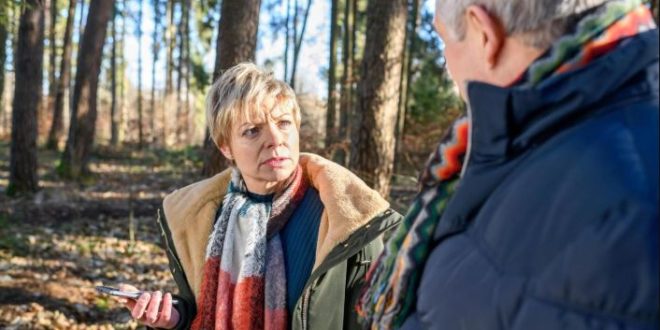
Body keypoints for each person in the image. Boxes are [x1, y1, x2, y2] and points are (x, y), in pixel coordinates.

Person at [359, 0, 659, 328]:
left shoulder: (631, 204)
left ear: (484, 34)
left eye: (445, 41)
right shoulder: (523, 145)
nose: (447, 63)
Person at [118, 63, 401, 329]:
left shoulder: (347, 220)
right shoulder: (203, 219)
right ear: (225, 147)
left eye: (284, 123)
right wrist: (174, 318)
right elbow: (202, 309)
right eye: (252, 131)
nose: (276, 139)